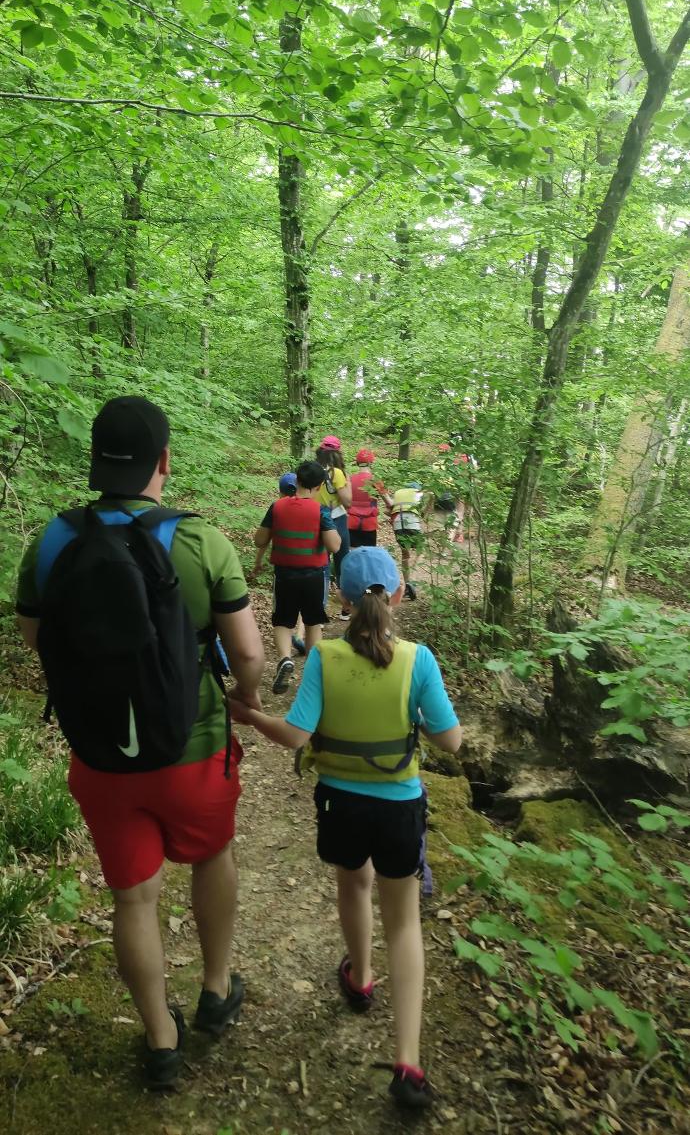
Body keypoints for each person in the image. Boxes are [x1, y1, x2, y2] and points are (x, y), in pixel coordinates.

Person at [15, 396, 265, 1089]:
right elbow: (246, 650)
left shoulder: (54, 540)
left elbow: (36, 637)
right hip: (193, 748)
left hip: (99, 752)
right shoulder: (200, 540)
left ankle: (160, 1039)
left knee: (133, 898)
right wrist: (247, 698)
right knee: (213, 852)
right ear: (164, 460)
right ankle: (215, 989)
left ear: (96, 458)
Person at [230, 547, 461, 1110]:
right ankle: (408, 1062)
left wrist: (250, 714)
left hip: (340, 802)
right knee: (404, 924)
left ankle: (360, 977)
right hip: (399, 806)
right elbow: (450, 741)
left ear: (340, 597)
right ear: (399, 593)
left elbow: (295, 737)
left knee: (352, 883)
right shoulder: (417, 659)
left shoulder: (324, 657)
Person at [253, 459, 340, 694]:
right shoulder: (320, 511)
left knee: (282, 620)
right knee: (313, 622)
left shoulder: (277, 507)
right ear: (319, 485)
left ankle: (284, 659)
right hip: (314, 575)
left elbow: (260, 540)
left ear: (297, 481)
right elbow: (333, 545)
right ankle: (312, 674)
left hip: (284, 575)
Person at [251, 472, 306, 656]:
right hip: (309, 565)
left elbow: (262, 540)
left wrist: (258, 562)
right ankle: (299, 633)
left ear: (280, 491)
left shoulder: (277, 508)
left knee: (283, 607)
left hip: (284, 566)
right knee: (304, 601)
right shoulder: (312, 507)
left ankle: (285, 653)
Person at [315, 436, 352, 619]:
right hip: (336, 519)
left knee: (322, 563)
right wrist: (349, 483)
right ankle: (346, 608)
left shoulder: (313, 470)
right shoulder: (336, 473)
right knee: (342, 562)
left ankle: (319, 608)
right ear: (337, 454)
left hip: (315, 520)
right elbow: (347, 501)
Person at [387, 481, 430, 601]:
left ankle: (407, 584)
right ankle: (413, 580)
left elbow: (390, 508)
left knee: (405, 554)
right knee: (422, 550)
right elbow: (422, 512)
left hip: (398, 524)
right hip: (412, 522)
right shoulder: (419, 493)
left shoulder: (398, 493)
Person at [347, 448, 385, 549]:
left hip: (352, 522)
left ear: (357, 463)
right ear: (371, 463)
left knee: (353, 554)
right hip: (369, 524)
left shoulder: (350, 479)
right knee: (369, 553)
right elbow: (388, 502)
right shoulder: (375, 480)